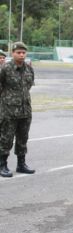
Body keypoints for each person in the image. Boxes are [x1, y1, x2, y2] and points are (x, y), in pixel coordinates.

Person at [0, 42, 35, 178]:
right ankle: (2, 164)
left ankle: (21, 164)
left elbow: (29, 85)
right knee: (6, 139)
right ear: (12, 53)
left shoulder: (29, 69)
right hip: (8, 111)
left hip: (25, 110)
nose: (21, 55)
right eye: (18, 52)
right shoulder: (5, 68)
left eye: (23, 53)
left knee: (23, 138)